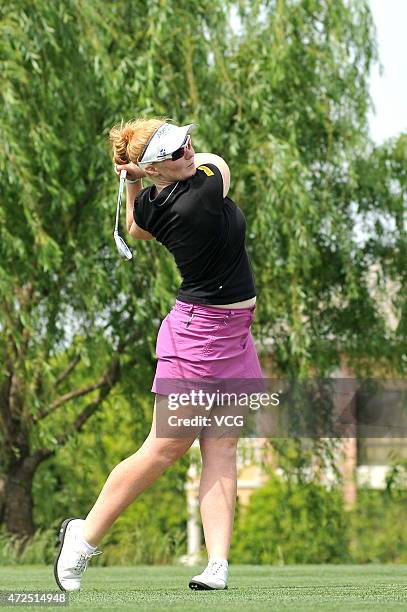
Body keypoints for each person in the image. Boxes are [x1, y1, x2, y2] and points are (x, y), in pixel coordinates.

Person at [54, 118, 264, 592]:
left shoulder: (152, 203)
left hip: (232, 335)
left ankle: (217, 565)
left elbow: (136, 227)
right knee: (166, 448)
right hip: (198, 337)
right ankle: (81, 538)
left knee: (221, 447)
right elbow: (220, 164)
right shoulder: (202, 196)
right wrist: (147, 176)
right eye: (173, 153)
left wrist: (133, 186)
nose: (188, 151)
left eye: (184, 141)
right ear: (153, 170)